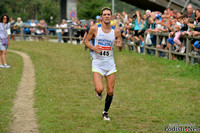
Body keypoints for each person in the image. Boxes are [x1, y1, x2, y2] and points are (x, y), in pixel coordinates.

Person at [84, 7, 122, 121]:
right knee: (100, 89)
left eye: (108, 14)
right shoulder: (95, 29)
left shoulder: (116, 30)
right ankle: (97, 91)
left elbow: (119, 46)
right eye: (104, 14)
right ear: (101, 17)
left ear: (111, 17)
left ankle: (105, 113)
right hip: (98, 62)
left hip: (110, 63)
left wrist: (120, 46)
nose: (106, 16)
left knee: (110, 91)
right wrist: (93, 47)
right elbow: (86, 41)